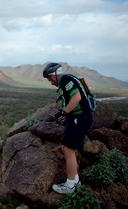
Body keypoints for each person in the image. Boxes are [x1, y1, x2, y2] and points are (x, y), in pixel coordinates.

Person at [43, 62, 93, 194]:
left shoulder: (66, 80)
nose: (50, 81)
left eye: (49, 78)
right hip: (77, 118)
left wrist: (64, 112)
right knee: (68, 148)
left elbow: (77, 97)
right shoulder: (65, 81)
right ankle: (75, 181)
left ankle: (71, 185)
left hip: (80, 118)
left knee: (68, 149)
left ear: (54, 74)